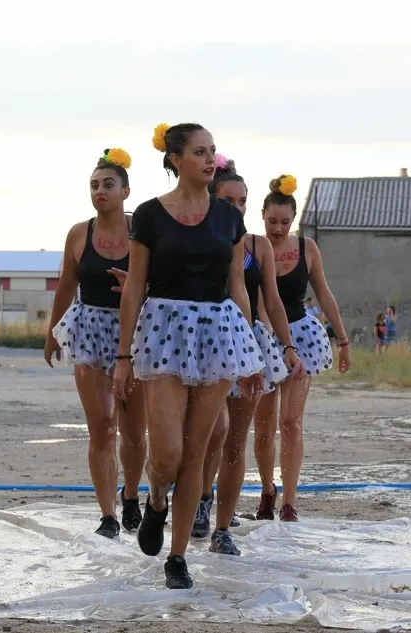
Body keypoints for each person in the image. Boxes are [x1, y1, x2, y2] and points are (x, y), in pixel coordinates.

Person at [112, 122, 265, 589]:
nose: (208, 159)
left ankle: (177, 557)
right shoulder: (149, 215)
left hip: (218, 332)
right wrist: (122, 356)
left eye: (212, 151)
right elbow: (135, 287)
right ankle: (156, 497)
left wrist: (250, 352)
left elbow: (238, 285)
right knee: (168, 453)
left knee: (197, 451)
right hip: (163, 331)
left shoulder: (229, 218)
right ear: (175, 159)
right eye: (199, 151)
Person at [195, 155, 303, 555]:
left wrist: (287, 346)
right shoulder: (194, 236)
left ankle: (222, 527)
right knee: (209, 434)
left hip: (249, 340)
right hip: (203, 342)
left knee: (235, 440)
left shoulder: (257, 245)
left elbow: (271, 299)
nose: (237, 208)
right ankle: (200, 497)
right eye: (228, 201)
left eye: (242, 201)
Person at [44, 148, 148, 541]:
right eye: (93, 185)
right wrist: (52, 332)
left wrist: (140, 288)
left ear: (125, 191)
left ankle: (131, 495)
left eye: (108, 184)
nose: (99, 191)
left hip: (134, 333)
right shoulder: (78, 233)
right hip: (88, 330)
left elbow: (163, 281)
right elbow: (65, 285)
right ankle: (107, 514)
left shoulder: (143, 231)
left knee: (134, 431)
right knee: (101, 427)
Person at [253, 173, 350, 523]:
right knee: (264, 428)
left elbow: (323, 292)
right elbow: (259, 300)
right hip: (263, 337)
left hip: (302, 336)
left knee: (291, 421)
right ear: (262, 217)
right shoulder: (252, 248)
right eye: (272, 221)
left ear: (293, 220)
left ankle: (290, 502)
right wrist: (272, 342)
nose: (278, 229)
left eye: (284, 222)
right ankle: (267, 490)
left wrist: (343, 339)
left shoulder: (307, 248)